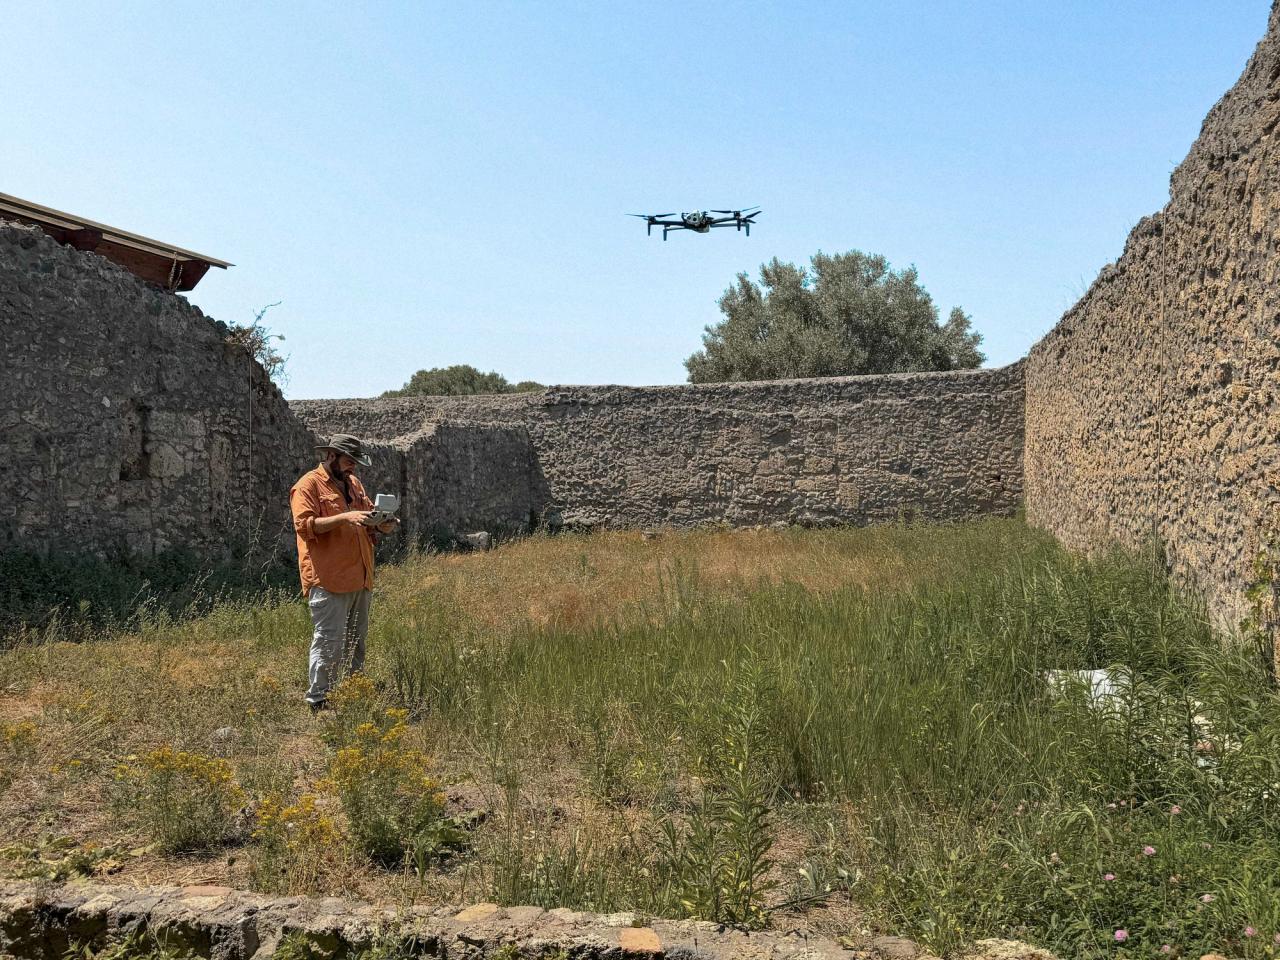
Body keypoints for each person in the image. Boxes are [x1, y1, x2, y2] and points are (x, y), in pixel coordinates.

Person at [289, 434, 398, 712]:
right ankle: (319, 699)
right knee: (329, 640)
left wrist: (381, 524)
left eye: (356, 462)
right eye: (349, 461)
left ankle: (352, 691)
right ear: (331, 456)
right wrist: (343, 517)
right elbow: (305, 526)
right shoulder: (307, 486)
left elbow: (364, 520)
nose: (353, 467)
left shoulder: (353, 483)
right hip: (329, 578)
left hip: (360, 574)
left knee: (355, 640)